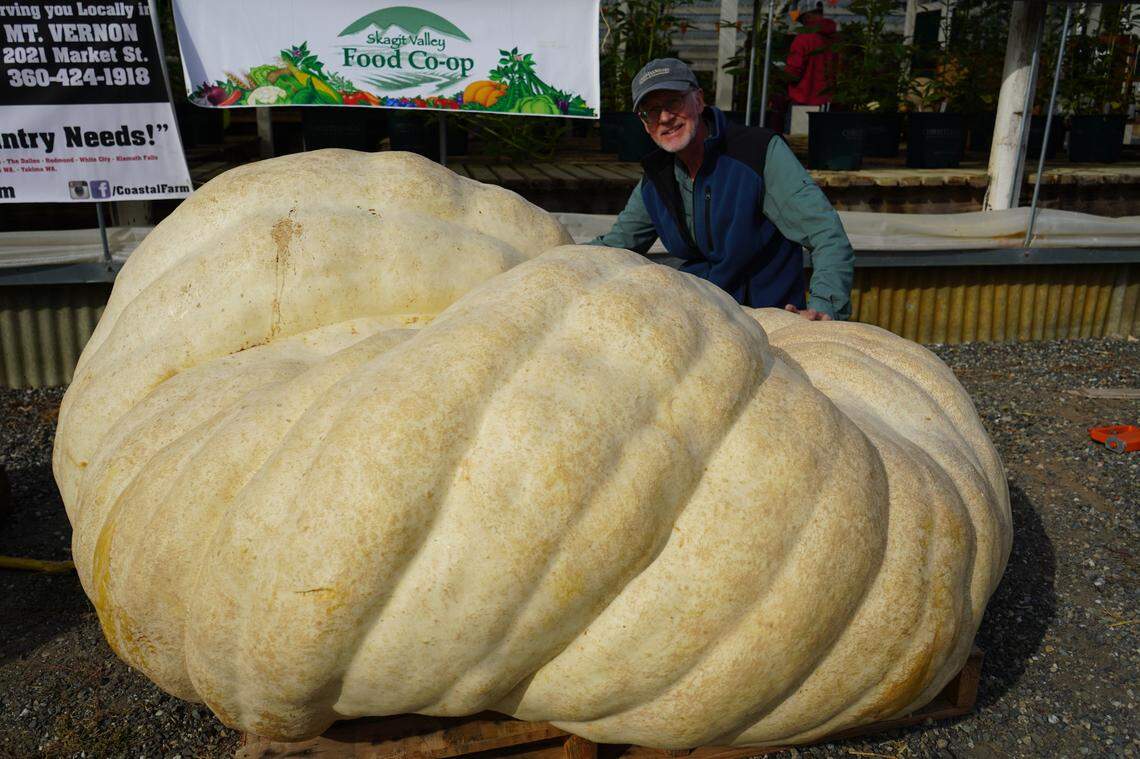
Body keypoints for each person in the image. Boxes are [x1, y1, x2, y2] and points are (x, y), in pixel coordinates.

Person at [589, 58, 853, 320]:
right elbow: (616, 248)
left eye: (673, 102)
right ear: (644, 124)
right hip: (703, 320)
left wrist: (824, 307)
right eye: (651, 111)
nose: (665, 118)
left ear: (699, 100)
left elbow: (826, 234)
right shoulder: (656, 177)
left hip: (768, 320)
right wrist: (555, 257)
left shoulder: (758, 153)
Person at [786, 2, 838, 110]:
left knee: (799, 127)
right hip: (829, 103)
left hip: (804, 102)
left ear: (807, 16)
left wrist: (780, 76)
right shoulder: (835, 39)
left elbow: (793, 73)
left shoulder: (803, 39)